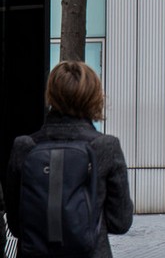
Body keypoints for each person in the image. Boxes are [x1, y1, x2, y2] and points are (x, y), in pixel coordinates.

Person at [5, 61, 133, 258]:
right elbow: (121, 222)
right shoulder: (106, 146)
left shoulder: (24, 146)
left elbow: (16, 226)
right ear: (94, 97)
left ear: (51, 95)